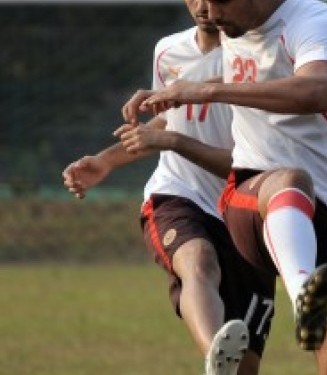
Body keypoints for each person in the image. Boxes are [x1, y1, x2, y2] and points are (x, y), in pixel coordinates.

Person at [126, 0, 327, 374]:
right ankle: (303, 296)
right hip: (254, 199)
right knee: (291, 180)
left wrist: (209, 91)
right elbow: (241, 79)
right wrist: (178, 96)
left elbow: (316, 90)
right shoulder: (235, 24)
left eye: (219, 1)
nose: (211, 14)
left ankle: (307, 299)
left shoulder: (315, 22)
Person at [62, 1, 275, 375]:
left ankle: (229, 365)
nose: (206, 7)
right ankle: (216, 358)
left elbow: (247, 163)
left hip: (244, 208)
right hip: (179, 195)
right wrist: (106, 160)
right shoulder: (168, 50)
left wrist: (174, 137)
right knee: (199, 263)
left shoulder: (258, 57)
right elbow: (170, 119)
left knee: (248, 366)